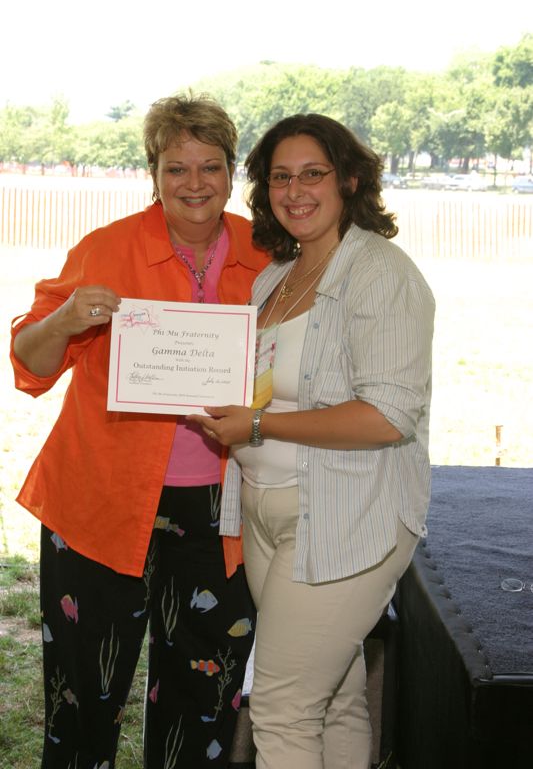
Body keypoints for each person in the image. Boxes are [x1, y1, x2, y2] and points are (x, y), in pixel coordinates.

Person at [10, 94, 269, 768]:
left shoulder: (264, 253)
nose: (193, 184)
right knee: (83, 690)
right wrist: (64, 321)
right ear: (152, 172)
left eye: (209, 166)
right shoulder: (107, 248)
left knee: (202, 686)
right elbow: (30, 366)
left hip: (221, 509)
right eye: (175, 167)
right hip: (100, 501)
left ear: (231, 171)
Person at [188, 113, 435, 769]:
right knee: (335, 698)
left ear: (349, 179)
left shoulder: (379, 273)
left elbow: (387, 417)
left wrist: (258, 425)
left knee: (280, 705)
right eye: (279, 178)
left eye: (312, 174)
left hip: (345, 517)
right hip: (268, 513)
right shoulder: (276, 277)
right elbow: (263, 386)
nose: (295, 190)